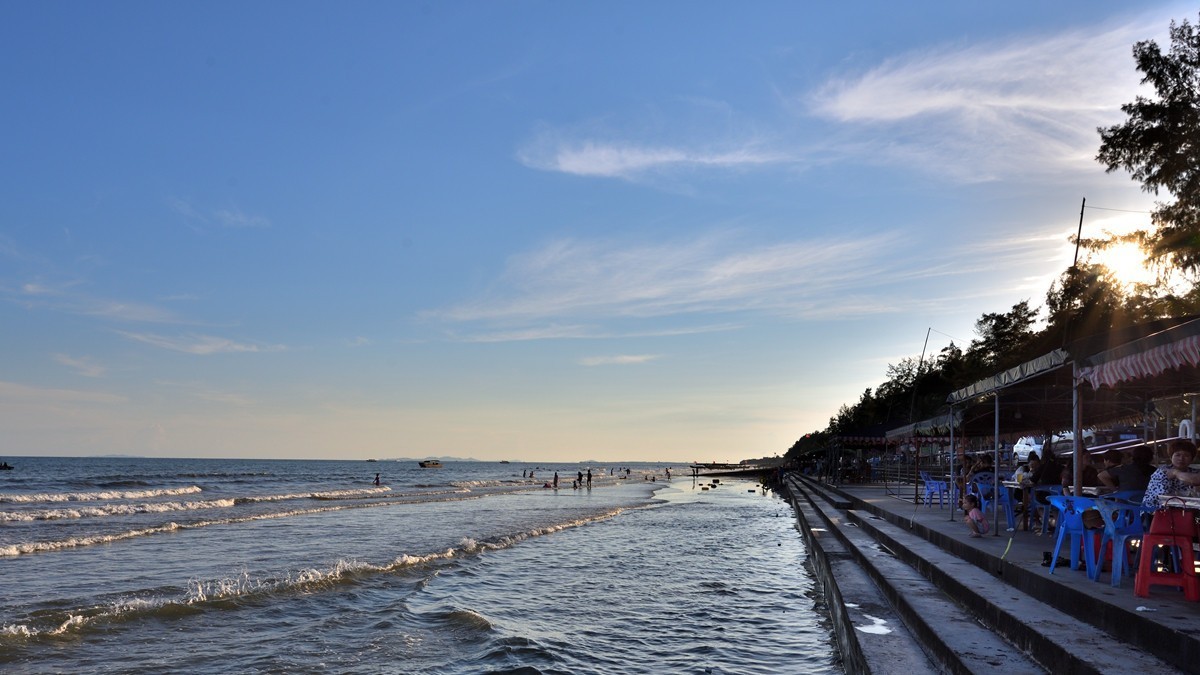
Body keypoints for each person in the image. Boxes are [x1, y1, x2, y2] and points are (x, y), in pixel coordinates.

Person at [1142, 439, 1199, 511]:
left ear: (1192, 459)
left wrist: (1177, 473)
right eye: (1177, 455)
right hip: (1156, 511)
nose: (1181, 458)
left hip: (1185, 510)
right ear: (1171, 457)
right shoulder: (1162, 471)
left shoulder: (1194, 472)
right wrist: (1176, 473)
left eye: (1186, 455)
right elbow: (1161, 498)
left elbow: (1196, 480)